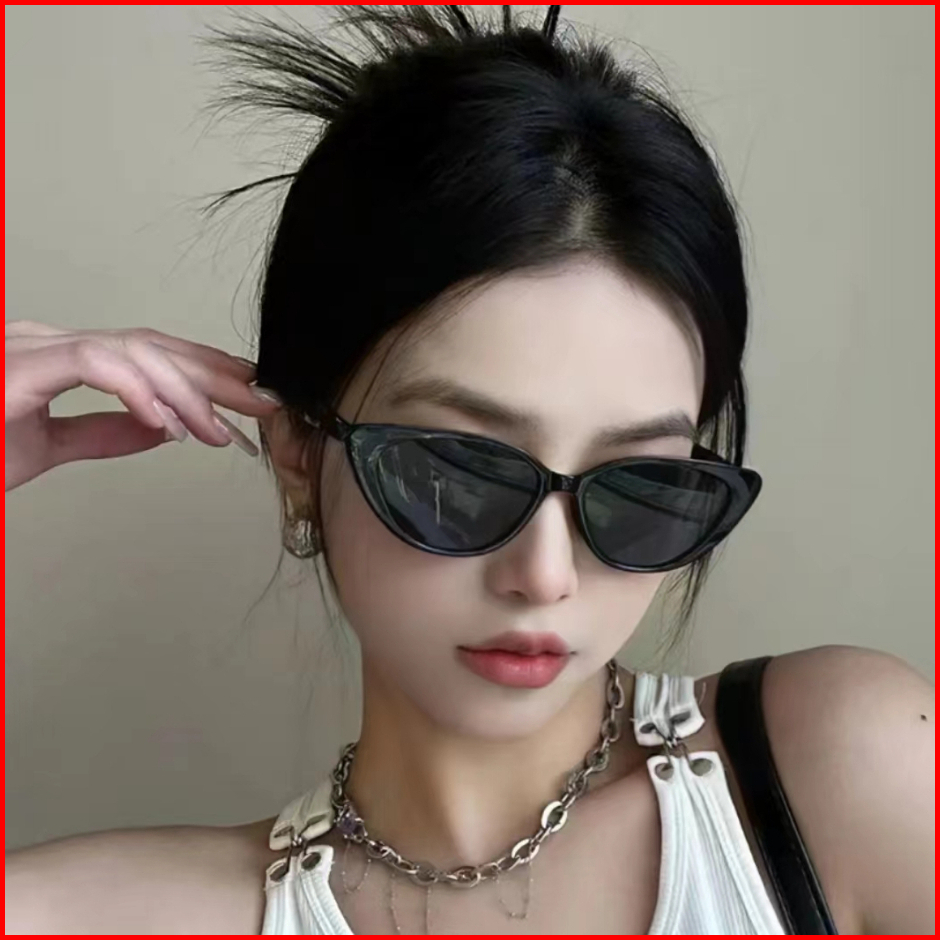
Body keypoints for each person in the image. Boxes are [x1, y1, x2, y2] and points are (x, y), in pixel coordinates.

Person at [4, 6, 933, 936]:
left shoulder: (835, 779)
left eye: (638, 486)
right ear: (298, 451)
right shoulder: (102, 912)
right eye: (460, 473)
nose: (546, 575)